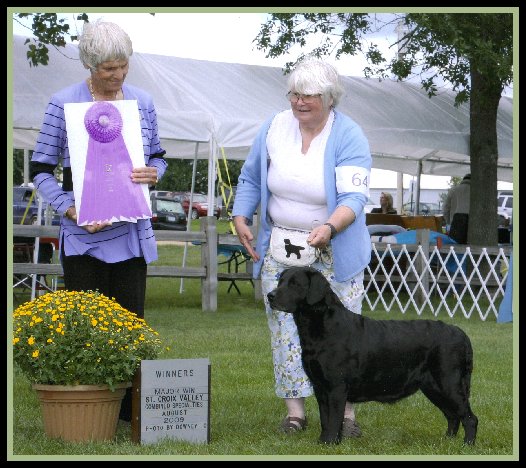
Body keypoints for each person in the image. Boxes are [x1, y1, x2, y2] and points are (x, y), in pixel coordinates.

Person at [29, 20, 167, 421]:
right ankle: (90, 408)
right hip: (83, 235)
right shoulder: (62, 103)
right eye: (108, 68)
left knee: (130, 325)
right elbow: (40, 168)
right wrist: (71, 208)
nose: (118, 75)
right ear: (89, 64)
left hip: (130, 232)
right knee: (86, 328)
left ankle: (128, 412)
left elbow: (157, 156)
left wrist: (154, 172)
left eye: (123, 66)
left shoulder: (142, 102)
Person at [232, 56, 372, 438]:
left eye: (308, 95)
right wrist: (241, 214)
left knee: (342, 334)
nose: (299, 102)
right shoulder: (273, 128)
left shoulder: (348, 135)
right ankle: (295, 413)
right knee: (284, 328)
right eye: (294, 93)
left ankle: (345, 415)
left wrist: (330, 226)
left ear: (329, 98)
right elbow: (249, 177)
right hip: (281, 245)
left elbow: (353, 199)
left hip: (333, 245)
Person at [443, 173, 470, 243]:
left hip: (456, 222)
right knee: (469, 247)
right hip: (471, 222)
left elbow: (446, 208)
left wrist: (448, 222)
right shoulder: (476, 191)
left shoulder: (453, 190)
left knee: (455, 246)